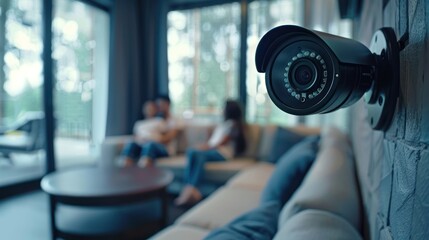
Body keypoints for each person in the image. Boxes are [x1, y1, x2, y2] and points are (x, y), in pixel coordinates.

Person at [174, 100, 246, 206]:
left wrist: (204, 147)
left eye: (224, 108)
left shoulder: (233, 125)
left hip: (223, 154)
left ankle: (192, 189)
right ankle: (189, 189)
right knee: (192, 152)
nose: (222, 110)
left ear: (229, 110)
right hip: (214, 150)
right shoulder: (223, 124)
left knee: (197, 153)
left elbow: (220, 143)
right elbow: (212, 141)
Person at [121, 95, 181, 167]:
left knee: (150, 145)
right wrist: (139, 140)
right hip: (142, 145)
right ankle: (125, 168)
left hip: (155, 146)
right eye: (147, 108)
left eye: (151, 108)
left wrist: (150, 139)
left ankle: (144, 169)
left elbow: (166, 137)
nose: (149, 109)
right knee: (131, 144)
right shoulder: (139, 123)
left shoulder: (160, 121)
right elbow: (135, 137)